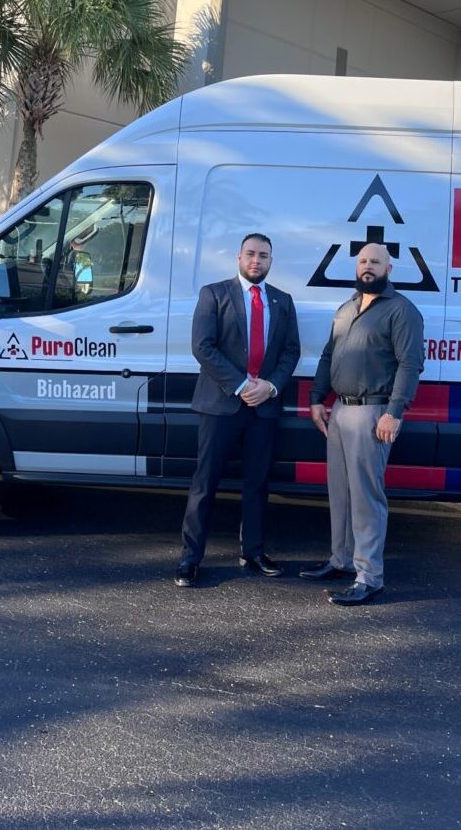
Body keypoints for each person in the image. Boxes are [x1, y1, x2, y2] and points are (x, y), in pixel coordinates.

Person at [175, 233, 300, 588]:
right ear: (238, 257)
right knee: (205, 483)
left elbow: (291, 351)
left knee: (257, 483)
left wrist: (270, 386)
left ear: (271, 261)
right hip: (221, 405)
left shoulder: (283, 301)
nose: (256, 261)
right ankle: (190, 558)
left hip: (264, 407)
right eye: (250, 254)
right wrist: (243, 385)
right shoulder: (214, 294)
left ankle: (254, 552)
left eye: (263, 255)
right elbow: (203, 347)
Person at [303, 242, 424, 605]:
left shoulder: (402, 311)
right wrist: (316, 400)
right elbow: (329, 355)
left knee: (367, 498)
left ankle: (369, 576)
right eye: (362, 262)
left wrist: (394, 412)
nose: (367, 267)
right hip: (339, 410)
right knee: (340, 492)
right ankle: (340, 561)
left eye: (375, 262)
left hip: (373, 413)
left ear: (389, 268)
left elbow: (410, 364)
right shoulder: (347, 308)